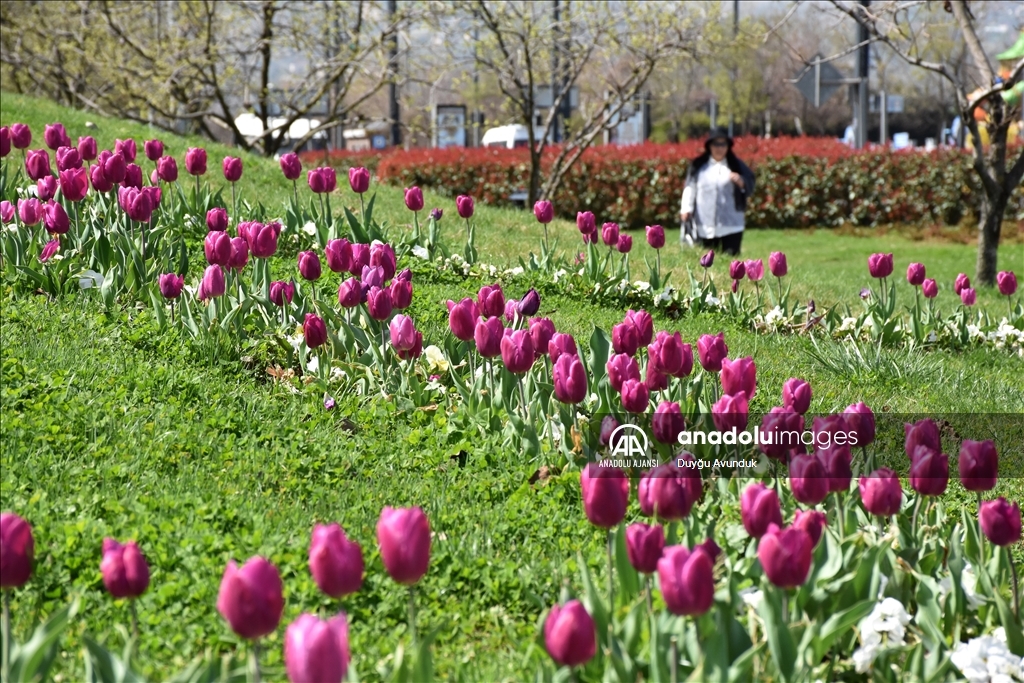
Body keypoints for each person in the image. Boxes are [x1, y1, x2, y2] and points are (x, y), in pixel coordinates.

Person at [679, 128, 756, 256]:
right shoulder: (699, 166)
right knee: (706, 262)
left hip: (732, 225)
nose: (719, 148)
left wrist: (741, 181)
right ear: (709, 146)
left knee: (732, 262)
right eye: (716, 144)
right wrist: (686, 209)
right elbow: (690, 187)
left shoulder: (736, 165)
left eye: (723, 144)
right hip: (704, 224)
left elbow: (750, 182)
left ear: (728, 146)